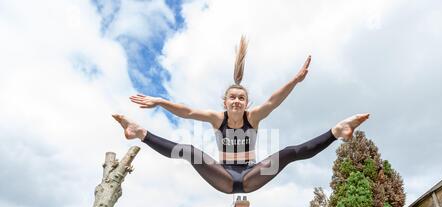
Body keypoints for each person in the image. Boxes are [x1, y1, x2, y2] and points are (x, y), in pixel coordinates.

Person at [113, 36, 369, 194]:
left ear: (247, 103)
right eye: (232, 97)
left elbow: (273, 100)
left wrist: (295, 80)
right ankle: (139, 132)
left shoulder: (253, 117)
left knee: (289, 152)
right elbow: (187, 111)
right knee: (189, 151)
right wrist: (160, 101)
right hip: (223, 176)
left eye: (241, 98)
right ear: (224, 102)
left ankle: (338, 131)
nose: (236, 101)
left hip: (250, 176)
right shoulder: (217, 118)